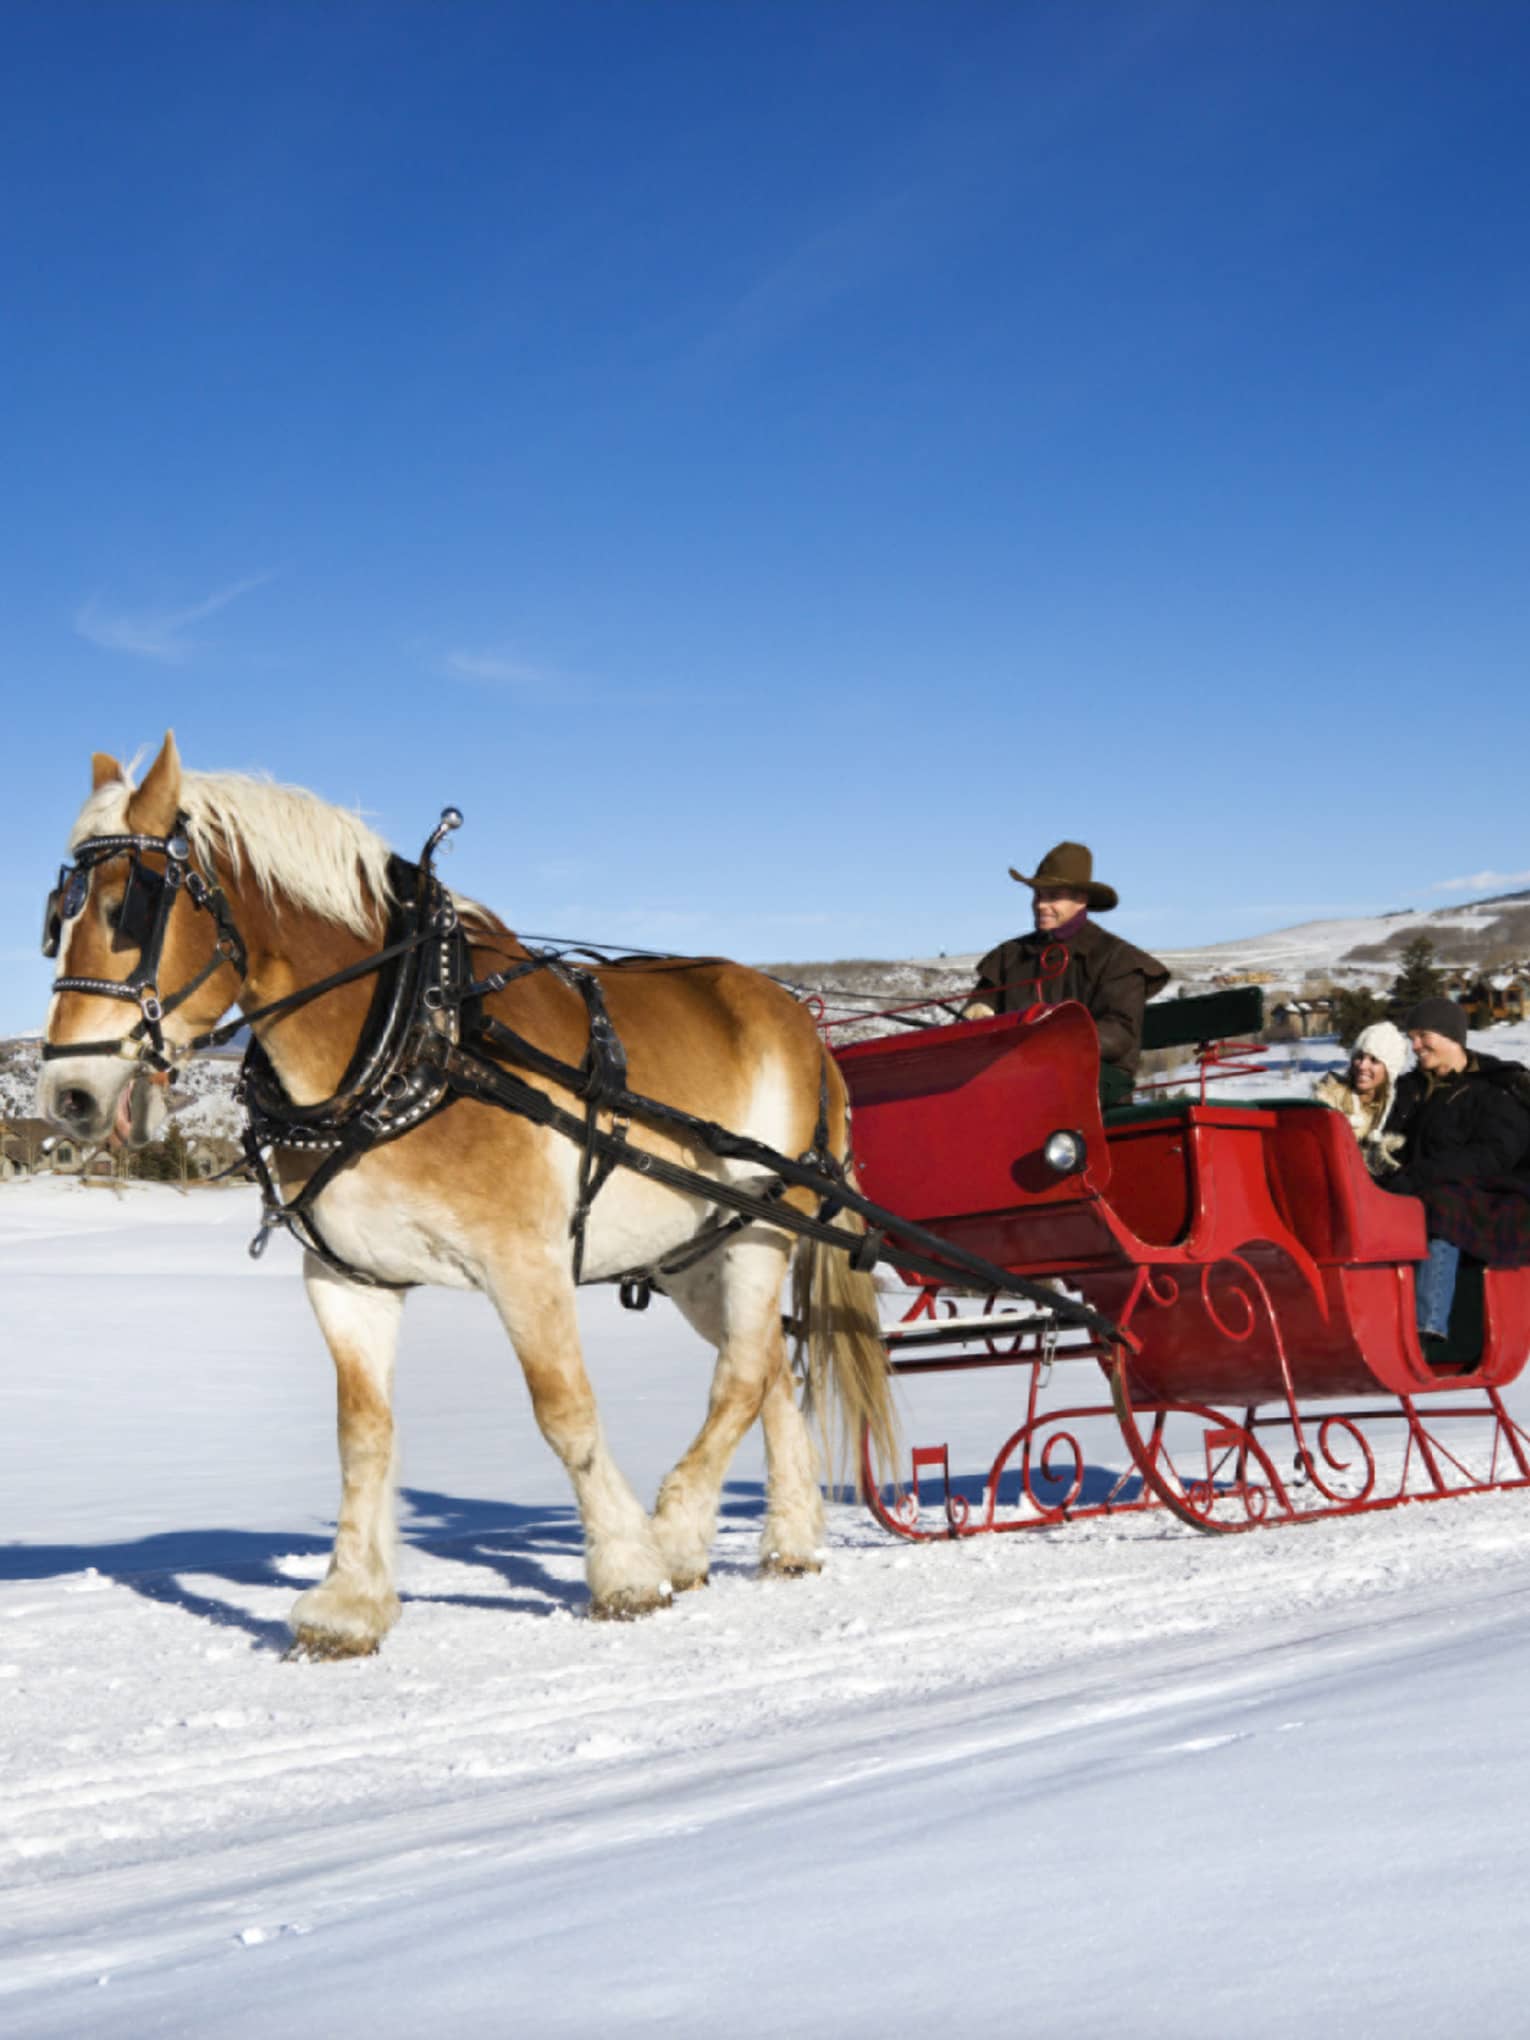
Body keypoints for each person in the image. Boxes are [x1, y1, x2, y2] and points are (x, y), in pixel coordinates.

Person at [1381, 996, 1530, 1355]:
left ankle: (1427, 1325)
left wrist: (1420, 1175)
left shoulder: (1495, 1090)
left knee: (1440, 1206)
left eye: (1423, 1036)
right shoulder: (1409, 1089)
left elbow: (1494, 1154)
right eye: (1411, 1037)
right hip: (1415, 1185)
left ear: (1451, 1037)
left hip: (1493, 1194)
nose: (1415, 1046)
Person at [966, 841, 1168, 1102]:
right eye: (1038, 895)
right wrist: (979, 1009)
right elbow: (982, 1003)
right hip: (1018, 1076)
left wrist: (1054, 1045)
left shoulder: (1117, 959)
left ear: (1080, 900)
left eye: (1053, 896)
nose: (1041, 905)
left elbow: (1118, 1033)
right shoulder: (1009, 956)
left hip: (1097, 1078)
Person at [1313, 1020, 1410, 1177]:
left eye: (1374, 1060)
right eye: (1359, 1057)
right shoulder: (1329, 1100)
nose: (1362, 1066)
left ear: (1390, 1070)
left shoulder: (1399, 1110)